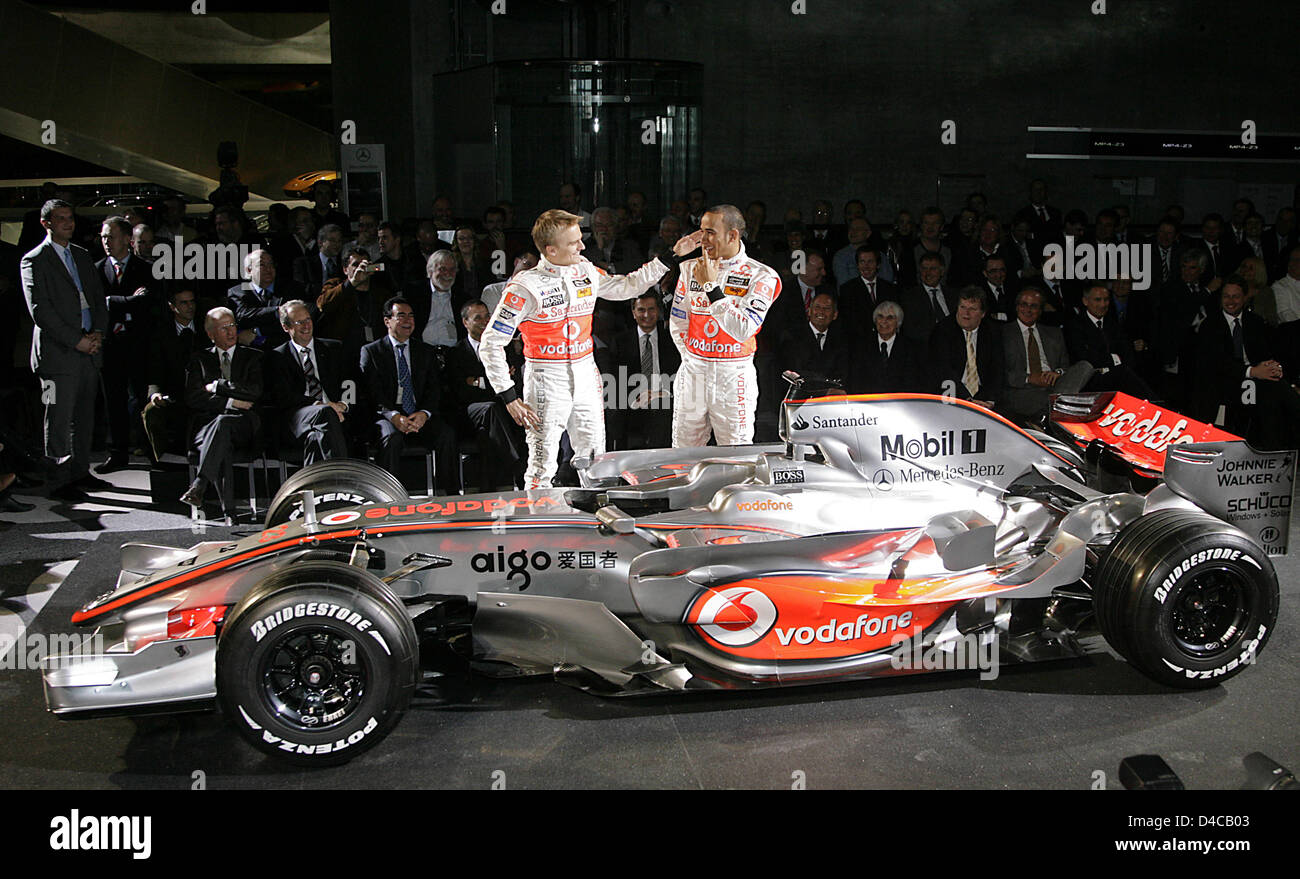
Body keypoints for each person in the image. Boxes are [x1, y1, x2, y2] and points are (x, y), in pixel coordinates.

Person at [479, 209, 699, 488]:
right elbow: (490, 343)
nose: (583, 246)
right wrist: (509, 397)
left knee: (596, 460)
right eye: (574, 242)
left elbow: (626, 286)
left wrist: (670, 257)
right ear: (550, 249)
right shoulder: (524, 286)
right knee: (541, 465)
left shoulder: (584, 269)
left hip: (586, 372)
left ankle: (596, 524)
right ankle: (537, 527)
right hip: (546, 377)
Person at [670, 204, 781, 446]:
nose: (703, 239)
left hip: (734, 375)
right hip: (693, 372)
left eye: (710, 232)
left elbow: (744, 329)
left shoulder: (762, 276)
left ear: (733, 235)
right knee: (682, 451)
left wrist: (711, 288)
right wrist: (692, 357)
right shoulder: (689, 268)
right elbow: (678, 321)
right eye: (701, 231)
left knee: (735, 453)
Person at [21, 199, 109, 501]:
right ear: (46, 223)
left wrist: (97, 333)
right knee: (57, 417)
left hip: (89, 349)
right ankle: (58, 480)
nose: (67, 223)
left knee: (85, 417)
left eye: (70, 218)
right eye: (60, 219)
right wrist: (76, 340)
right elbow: (40, 311)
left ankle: (80, 471)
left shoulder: (83, 256)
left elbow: (98, 298)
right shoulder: (34, 260)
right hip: (58, 355)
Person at [360, 297, 460, 492]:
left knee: (446, 435)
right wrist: (394, 416)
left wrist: (424, 413)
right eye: (401, 316)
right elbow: (372, 393)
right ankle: (390, 498)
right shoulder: (372, 351)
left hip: (419, 414)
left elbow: (435, 389)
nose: (408, 320)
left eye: (411, 316)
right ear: (387, 321)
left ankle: (449, 495)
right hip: (387, 416)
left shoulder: (425, 350)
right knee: (390, 438)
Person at [1191, 276, 1300, 450]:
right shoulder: (1210, 325)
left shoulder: (1255, 322)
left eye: (1236, 296)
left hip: (1253, 381)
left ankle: (1273, 451)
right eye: (1226, 296)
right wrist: (1252, 371)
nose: (1231, 301)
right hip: (1223, 383)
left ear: (1244, 298)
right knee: (1272, 392)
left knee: (1276, 390)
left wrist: (1273, 367)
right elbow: (1218, 363)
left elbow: (1266, 353)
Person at [180, 307, 263, 511]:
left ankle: (200, 486)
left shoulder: (253, 357)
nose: (231, 332)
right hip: (207, 428)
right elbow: (193, 397)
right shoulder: (198, 359)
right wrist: (231, 403)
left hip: (243, 425)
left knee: (223, 425)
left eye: (232, 325)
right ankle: (229, 514)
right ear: (211, 334)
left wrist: (218, 386)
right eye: (223, 328)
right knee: (221, 435)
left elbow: (254, 392)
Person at [446, 299, 526, 489]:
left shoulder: (504, 348)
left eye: (487, 316)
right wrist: (495, 383)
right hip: (469, 413)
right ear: (465, 322)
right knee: (490, 410)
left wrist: (478, 381)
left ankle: (491, 489)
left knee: (488, 434)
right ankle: (517, 466)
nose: (485, 321)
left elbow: (515, 385)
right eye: (478, 318)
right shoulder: (455, 353)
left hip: (498, 414)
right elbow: (461, 392)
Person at [269, 301, 350, 465]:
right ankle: (341, 474)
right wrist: (320, 404)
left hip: (337, 413)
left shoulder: (334, 348)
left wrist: (345, 404)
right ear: (286, 327)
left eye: (308, 320)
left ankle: (312, 488)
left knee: (315, 437)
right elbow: (284, 397)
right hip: (299, 417)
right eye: (299, 322)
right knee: (325, 412)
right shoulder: (277, 356)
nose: (306, 326)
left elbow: (350, 381)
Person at [999, 287, 1093, 425]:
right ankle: (1057, 408)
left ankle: (1051, 410)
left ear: (1040, 310)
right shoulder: (1003, 333)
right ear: (1017, 307)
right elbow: (998, 372)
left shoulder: (1054, 333)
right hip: (1023, 391)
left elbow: (1065, 366)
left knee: (1085, 366)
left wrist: (1058, 373)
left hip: (1055, 386)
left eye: (1034, 306)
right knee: (1059, 398)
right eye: (1024, 304)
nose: (1028, 310)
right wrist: (1029, 378)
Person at [606, 292, 681, 450]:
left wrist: (661, 394)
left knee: (662, 406)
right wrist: (636, 396)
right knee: (614, 409)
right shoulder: (620, 342)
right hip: (631, 399)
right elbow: (614, 380)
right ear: (633, 313)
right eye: (641, 310)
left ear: (658, 311)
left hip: (664, 398)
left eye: (651, 309)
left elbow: (679, 374)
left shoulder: (672, 340)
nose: (646, 315)